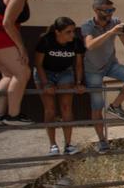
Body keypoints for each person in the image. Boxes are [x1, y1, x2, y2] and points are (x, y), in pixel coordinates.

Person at [82, 0, 124, 153]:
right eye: (106, 10)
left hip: (111, 64)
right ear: (96, 10)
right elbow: (90, 45)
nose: (110, 13)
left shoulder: (115, 22)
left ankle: (115, 106)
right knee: (97, 107)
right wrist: (110, 32)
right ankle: (102, 141)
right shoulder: (87, 26)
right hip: (92, 69)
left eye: (112, 10)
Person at [33, 16, 86, 155]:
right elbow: (38, 64)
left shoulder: (76, 43)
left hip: (65, 73)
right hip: (45, 73)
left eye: (73, 31)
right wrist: (46, 84)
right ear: (57, 32)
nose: (72, 34)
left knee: (66, 107)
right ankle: (53, 145)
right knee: (50, 110)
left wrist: (78, 83)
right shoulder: (45, 41)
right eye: (68, 32)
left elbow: (79, 65)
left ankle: (68, 145)